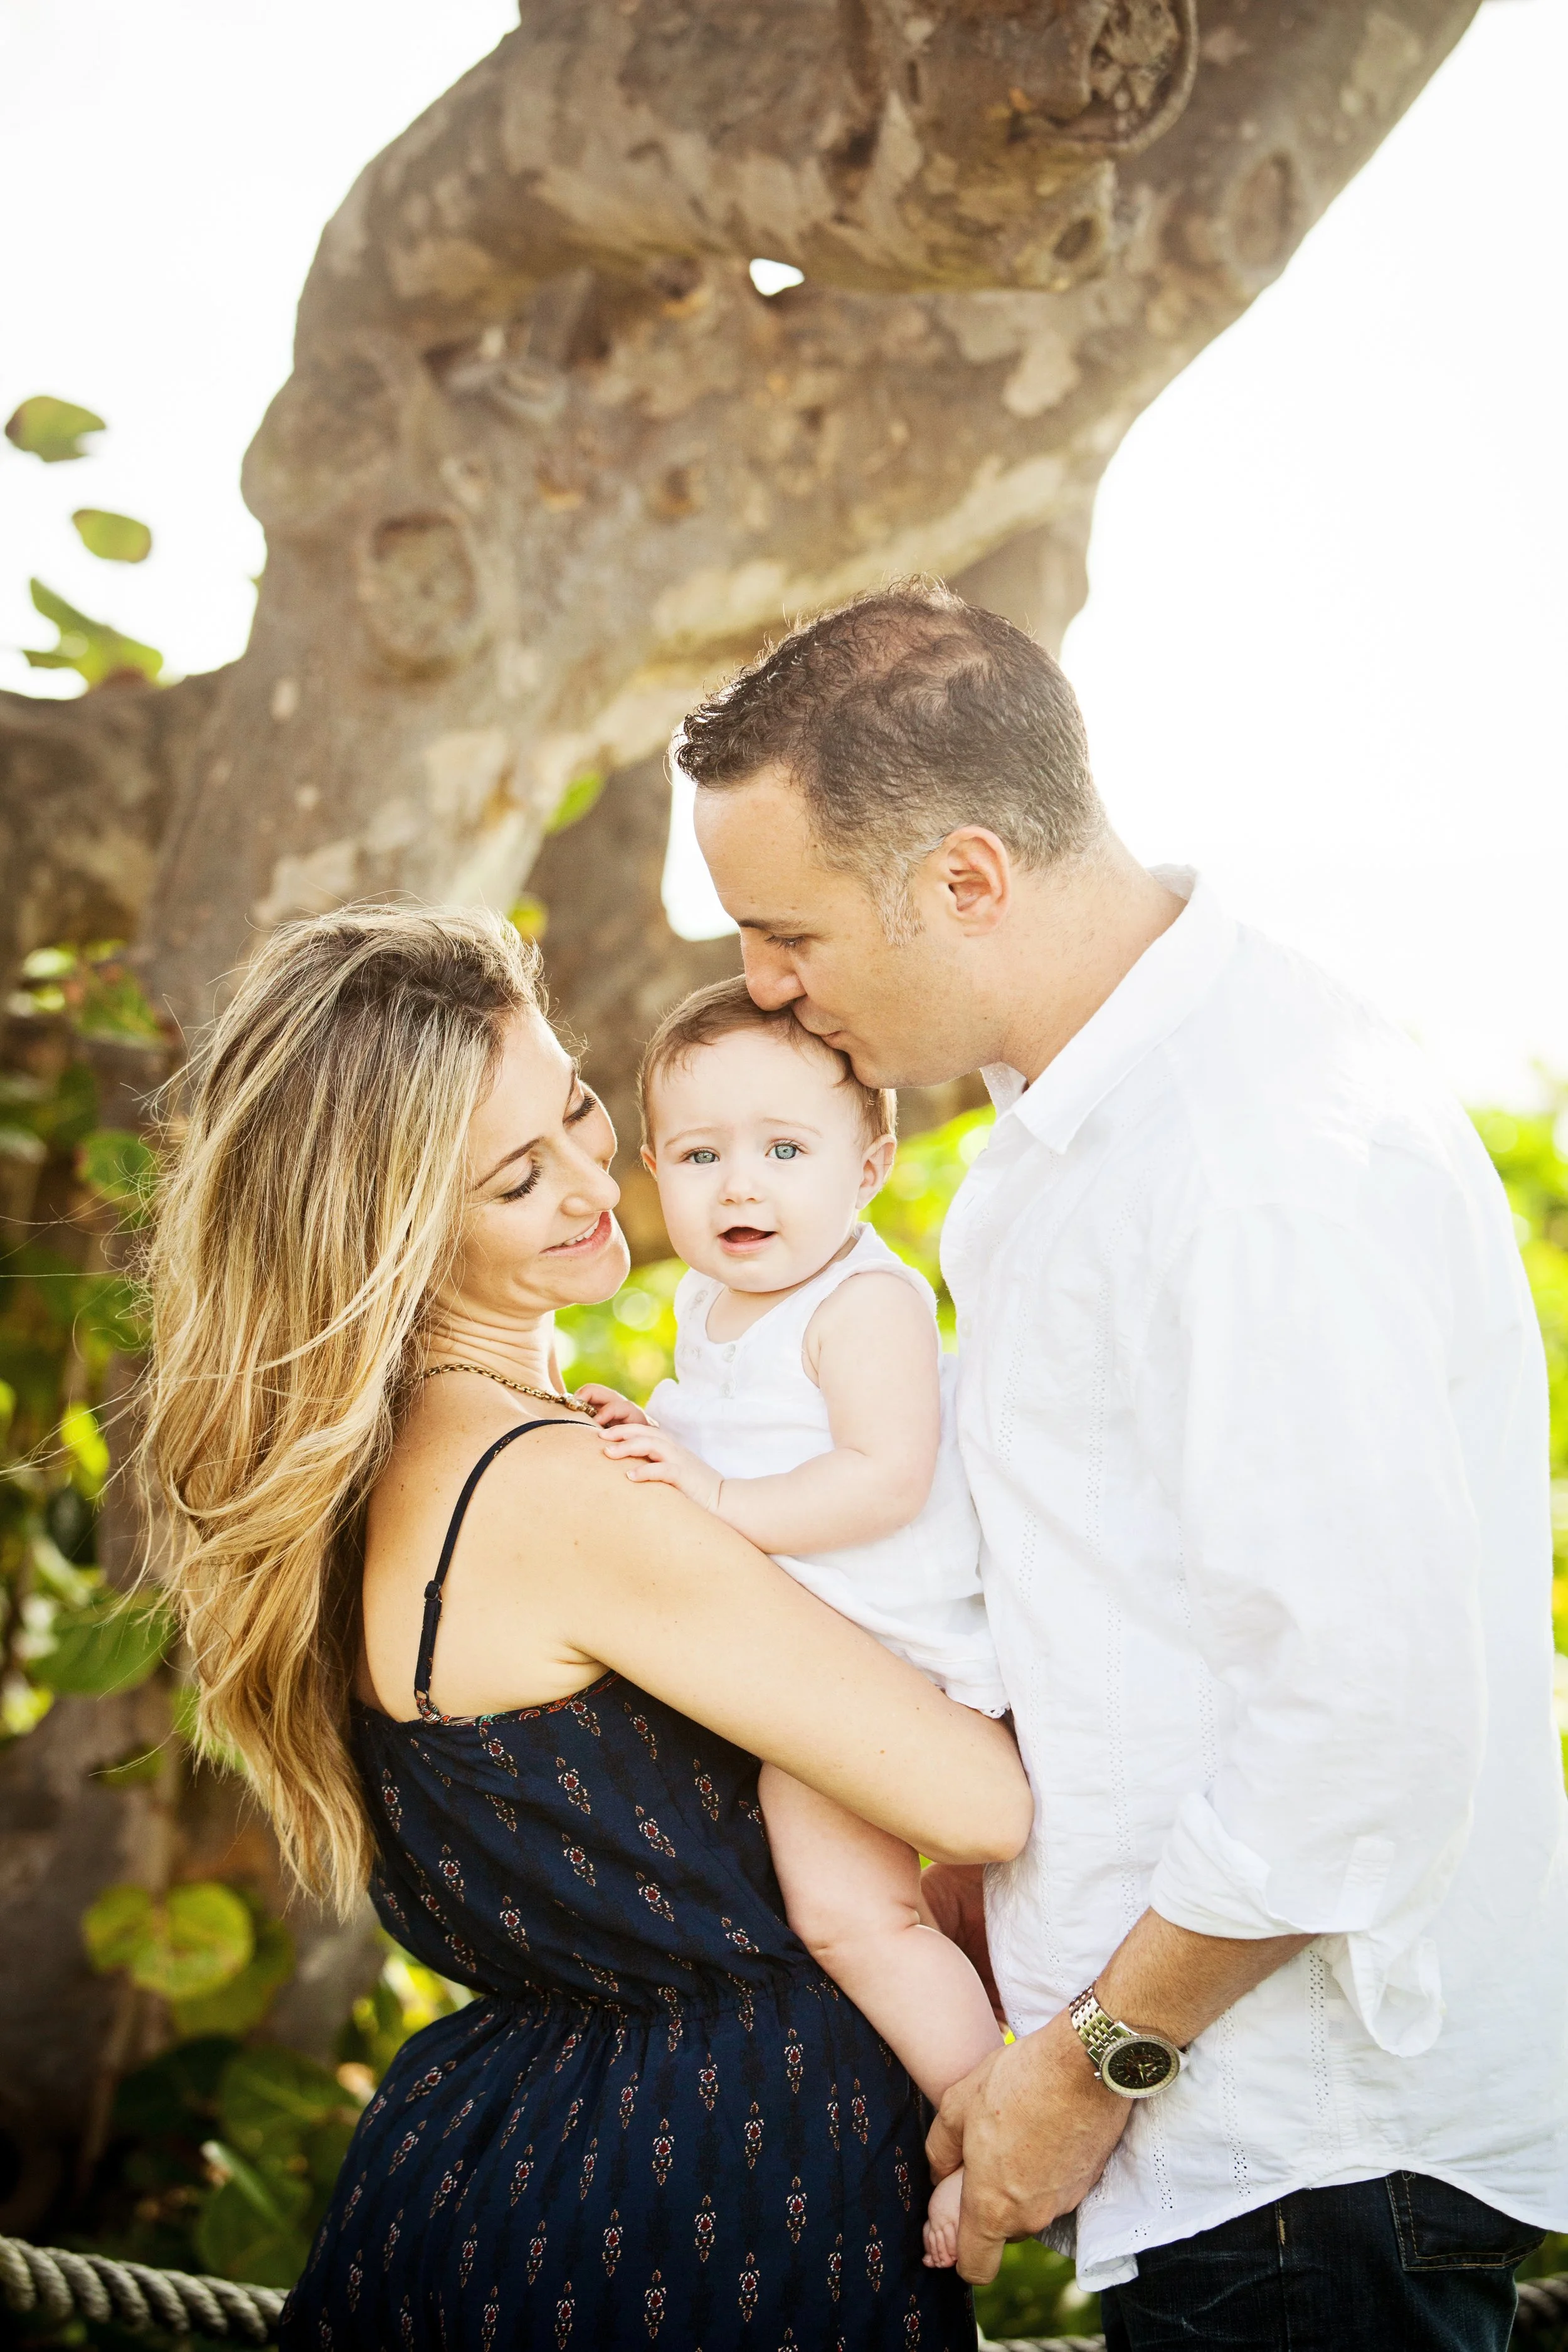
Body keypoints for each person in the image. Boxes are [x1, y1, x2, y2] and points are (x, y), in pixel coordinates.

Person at [676, 580, 1568, 2351]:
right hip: (1236, 2154)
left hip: (1304, 2151)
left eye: (788, 932)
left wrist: (1090, 2063)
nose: (764, 985)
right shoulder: (1073, 1134)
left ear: (967, 880)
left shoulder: (1248, 1158)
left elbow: (1362, 1714)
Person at [141, 903, 1032, 2351]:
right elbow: (980, 1801)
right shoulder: (551, 1489)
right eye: (515, 1179)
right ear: (397, 1234)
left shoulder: (417, 1462)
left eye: (575, 1113)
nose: (591, 1187)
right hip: (704, 2203)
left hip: (520, 2163)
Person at [578, 975, 1008, 2266]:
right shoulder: (708, 1312)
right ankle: (975, 2111)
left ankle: (990, 2129)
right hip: (812, 1664)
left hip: (893, 1666)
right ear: (653, 1167)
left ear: (869, 1165)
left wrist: (708, 1495)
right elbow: (722, 1447)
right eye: (700, 1156)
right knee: (885, 1924)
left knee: (854, 1917)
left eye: (783, 1151)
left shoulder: (860, 1304)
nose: (740, 1188)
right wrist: (651, 1439)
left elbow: (880, 1476)